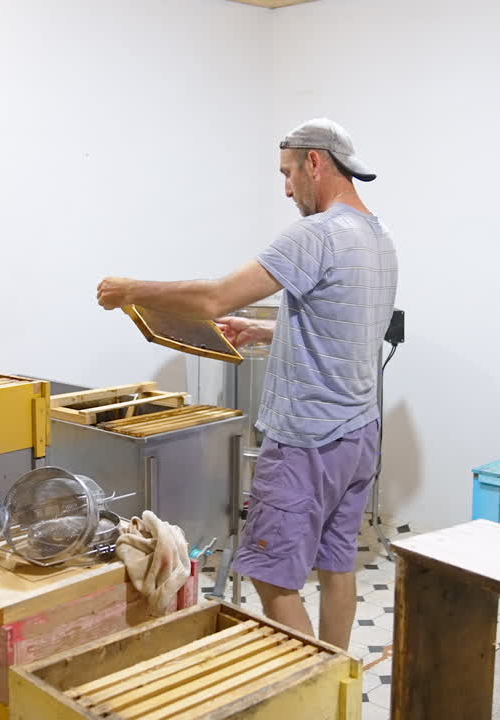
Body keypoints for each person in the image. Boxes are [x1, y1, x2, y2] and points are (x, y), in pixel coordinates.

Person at [96, 118, 397, 650]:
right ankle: (338, 684)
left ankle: (313, 681)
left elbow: (216, 297)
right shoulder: (377, 237)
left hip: (308, 439)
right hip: (359, 435)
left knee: (272, 575)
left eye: (287, 174)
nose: (286, 189)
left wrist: (130, 289)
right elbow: (346, 326)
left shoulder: (317, 232)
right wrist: (266, 328)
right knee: (336, 564)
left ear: (315, 162)